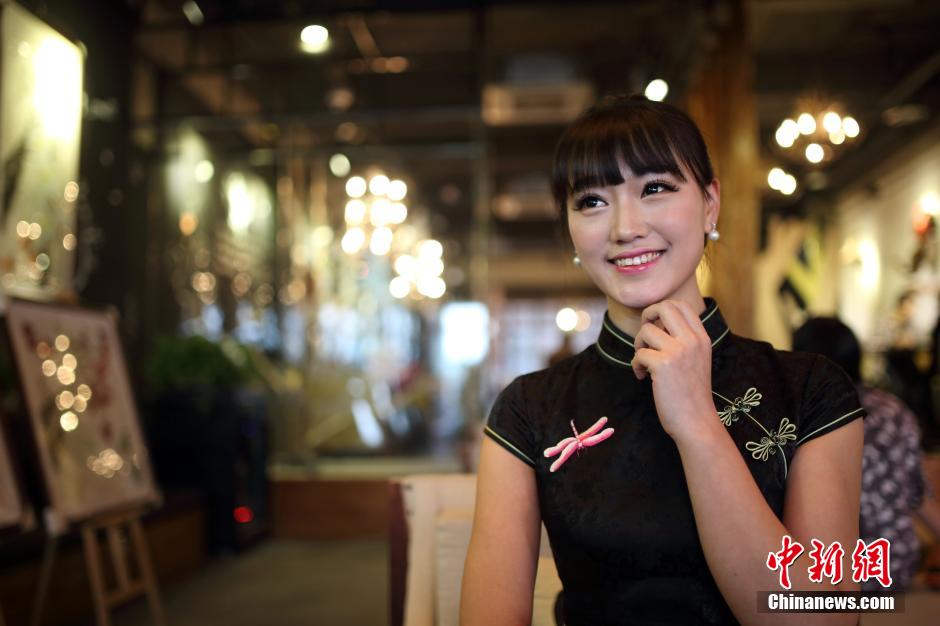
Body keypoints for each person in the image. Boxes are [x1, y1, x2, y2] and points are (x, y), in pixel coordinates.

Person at [460, 95, 866, 626]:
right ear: (571, 230)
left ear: (710, 205)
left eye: (654, 188)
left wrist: (696, 421)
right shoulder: (529, 408)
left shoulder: (812, 389)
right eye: (591, 201)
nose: (625, 227)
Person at [793, 317, 940, 592]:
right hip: (892, 565)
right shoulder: (892, 408)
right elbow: (917, 494)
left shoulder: (799, 413)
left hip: (827, 573)